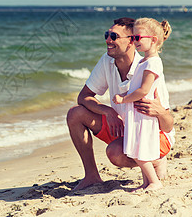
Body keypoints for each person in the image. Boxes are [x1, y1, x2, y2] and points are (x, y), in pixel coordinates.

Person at [66, 17, 174, 191]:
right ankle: (92, 176)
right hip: (123, 127)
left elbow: (168, 127)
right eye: (107, 35)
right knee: (75, 114)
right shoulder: (106, 61)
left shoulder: (147, 68)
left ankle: (156, 160)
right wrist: (107, 111)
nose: (108, 40)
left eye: (114, 36)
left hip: (152, 136)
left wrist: (160, 112)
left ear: (132, 41)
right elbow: (84, 97)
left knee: (115, 153)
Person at [112, 18, 174, 191]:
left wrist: (123, 99)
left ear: (153, 40)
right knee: (136, 148)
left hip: (144, 115)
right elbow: (135, 87)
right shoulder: (143, 61)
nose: (134, 41)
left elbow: (144, 90)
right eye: (132, 38)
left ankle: (155, 182)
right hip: (137, 113)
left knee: (140, 152)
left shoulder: (154, 62)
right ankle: (146, 182)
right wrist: (124, 94)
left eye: (137, 38)